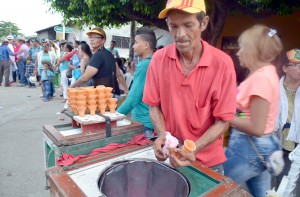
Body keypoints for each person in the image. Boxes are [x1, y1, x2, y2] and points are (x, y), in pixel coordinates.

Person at [143, 0, 236, 173]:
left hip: (208, 163)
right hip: (171, 157)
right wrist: (163, 134)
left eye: (188, 25)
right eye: (173, 26)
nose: (180, 34)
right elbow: (153, 106)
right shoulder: (159, 59)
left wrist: (194, 148)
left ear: (204, 23)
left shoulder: (222, 65)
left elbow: (224, 120)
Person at [223, 25, 283, 197]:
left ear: (253, 50)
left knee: (217, 187)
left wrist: (226, 116)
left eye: (242, 47)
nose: (238, 52)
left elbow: (257, 127)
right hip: (258, 146)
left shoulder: (261, 79)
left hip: (248, 145)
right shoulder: (264, 73)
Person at [117, 28, 156, 138]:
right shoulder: (154, 62)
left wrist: (113, 117)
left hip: (143, 123)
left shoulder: (144, 65)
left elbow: (133, 99)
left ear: (146, 45)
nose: (133, 46)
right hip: (151, 122)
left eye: (136, 42)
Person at [69, 28, 127, 97]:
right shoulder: (109, 54)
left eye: (95, 37)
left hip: (104, 96)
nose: (91, 39)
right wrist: (126, 90)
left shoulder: (98, 55)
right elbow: (119, 74)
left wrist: (72, 85)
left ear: (103, 40)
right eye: (90, 37)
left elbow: (85, 78)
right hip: (114, 93)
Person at [274, 48, 300, 196]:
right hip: (274, 143)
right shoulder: (273, 89)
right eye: (296, 64)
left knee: (288, 188)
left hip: (294, 147)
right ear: (285, 68)